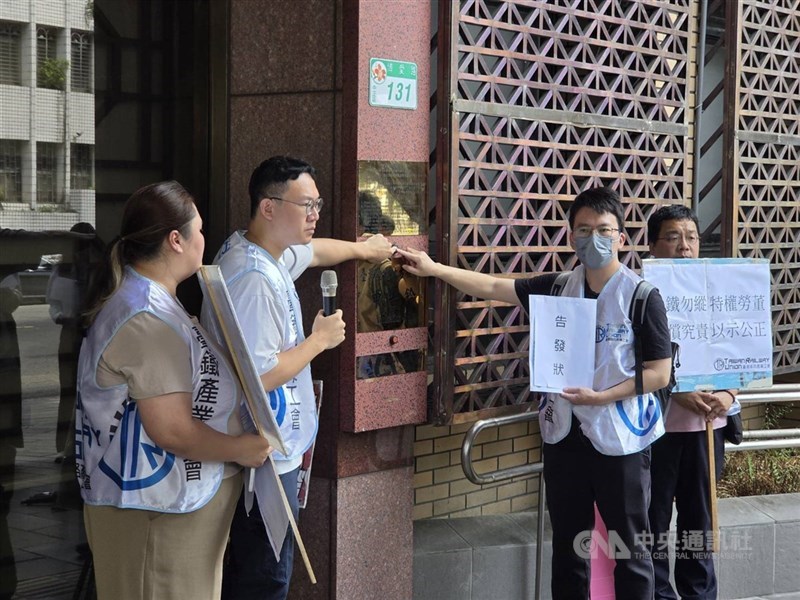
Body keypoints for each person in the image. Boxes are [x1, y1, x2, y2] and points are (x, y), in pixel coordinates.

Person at [397, 186, 673, 598]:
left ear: (621, 237)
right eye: (583, 230)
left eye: (603, 230)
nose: (592, 239)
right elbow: (494, 287)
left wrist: (602, 397)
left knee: (631, 548)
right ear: (571, 235)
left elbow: (659, 373)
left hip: (622, 440)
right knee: (568, 546)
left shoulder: (641, 297)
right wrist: (434, 268)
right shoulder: (559, 286)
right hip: (566, 439)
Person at [202, 156, 393, 600]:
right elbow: (258, 375)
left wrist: (365, 250)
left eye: (317, 203)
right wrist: (318, 341)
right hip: (263, 455)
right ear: (268, 207)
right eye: (305, 204)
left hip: (275, 447)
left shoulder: (262, 252)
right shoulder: (252, 278)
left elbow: (316, 251)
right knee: (264, 577)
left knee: (264, 568)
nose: (314, 214)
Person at [75, 181, 272, 600]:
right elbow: (173, 431)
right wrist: (242, 448)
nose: (205, 239)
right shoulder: (146, 318)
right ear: (176, 240)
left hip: (168, 511)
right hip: (154, 515)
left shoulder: (152, 300)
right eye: (199, 230)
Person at [647, 204, 738, 600]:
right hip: (653, 431)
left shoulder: (718, 291)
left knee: (699, 526)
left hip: (707, 431)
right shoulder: (638, 294)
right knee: (651, 524)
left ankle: (699, 595)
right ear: (652, 246)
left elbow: (738, 351)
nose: (684, 247)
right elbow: (624, 361)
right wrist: (674, 390)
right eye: (672, 237)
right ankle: (657, 594)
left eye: (691, 238)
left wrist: (728, 394)